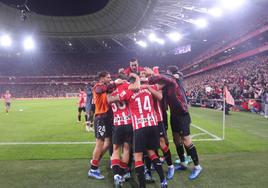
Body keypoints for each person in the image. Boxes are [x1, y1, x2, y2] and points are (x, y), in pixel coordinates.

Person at [147, 65, 203, 180]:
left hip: (183, 115)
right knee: (177, 140)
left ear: (170, 74)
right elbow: (157, 85)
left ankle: (197, 166)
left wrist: (154, 74)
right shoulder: (167, 85)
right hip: (174, 115)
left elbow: (163, 78)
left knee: (186, 141)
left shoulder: (173, 81)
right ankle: (183, 163)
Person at [113, 73, 168, 188]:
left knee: (138, 157)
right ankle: (163, 181)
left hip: (139, 126)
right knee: (152, 152)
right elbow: (160, 96)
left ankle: (142, 186)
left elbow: (116, 99)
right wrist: (147, 84)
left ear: (130, 82)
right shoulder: (148, 87)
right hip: (153, 125)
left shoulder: (128, 91)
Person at [107, 79, 133, 187]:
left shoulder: (110, 92)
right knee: (126, 150)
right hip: (128, 123)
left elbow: (108, 101)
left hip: (117, 124)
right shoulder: (126, 87)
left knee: (116, 149)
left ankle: (116, 175)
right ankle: (122, 174)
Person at [88, 71, 113, 180]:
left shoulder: (106, 87)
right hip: (101, 118)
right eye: (108, 77)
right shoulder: (98, 86)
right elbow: (99, 90)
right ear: (102, 78)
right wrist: (114, 84)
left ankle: (95, 160)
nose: (110, 78)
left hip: (106, 118)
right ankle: (93, 169)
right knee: (100, 143)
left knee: (109, 143)